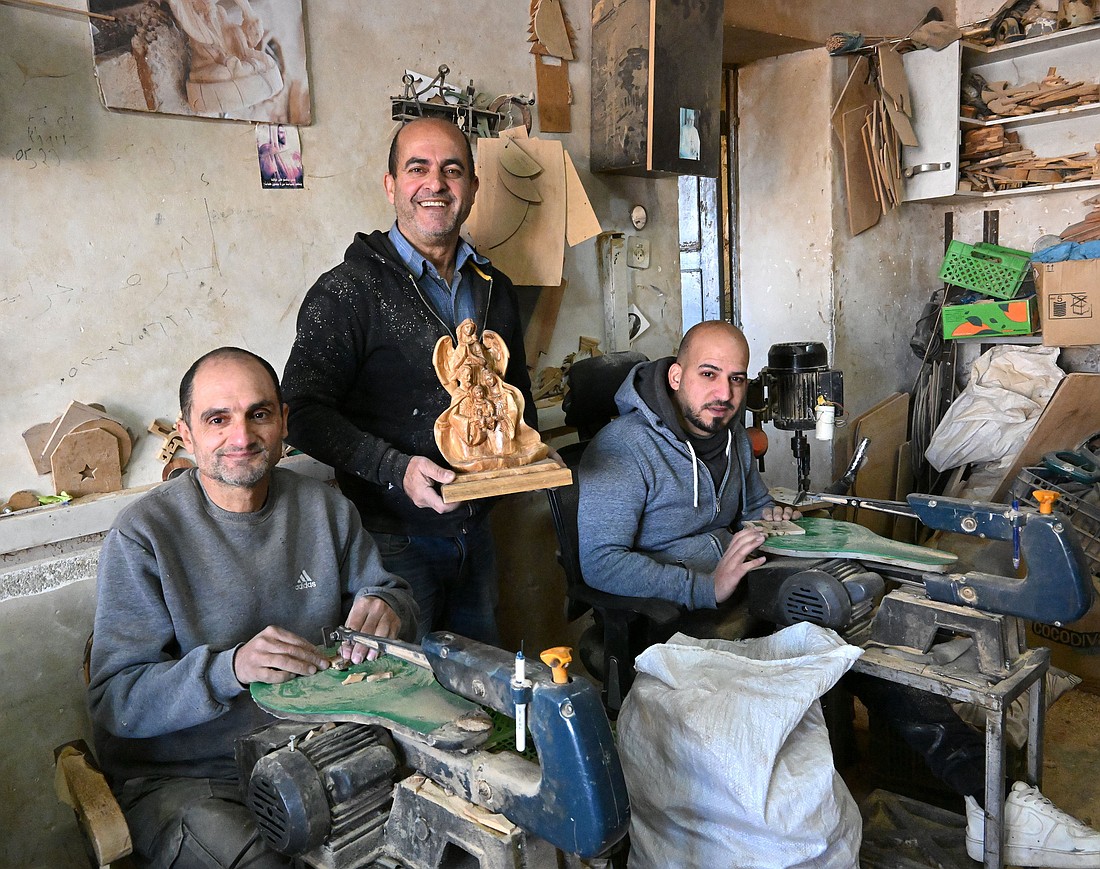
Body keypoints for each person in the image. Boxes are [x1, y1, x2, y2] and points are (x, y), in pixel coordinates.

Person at [578, 320, 1100, 868]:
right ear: (678, 374)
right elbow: (601, 561)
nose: (724, 394)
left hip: (744, 584)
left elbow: (751, 503)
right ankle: (990, 799)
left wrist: (767, 516)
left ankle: (989, 800)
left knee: (861, 624)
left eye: (736, 379)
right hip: (673, 617)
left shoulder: (727, 430)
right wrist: (703, 585)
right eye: (709, 376)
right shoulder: (625, 448)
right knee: (839, 635)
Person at [88, 347, 418, 869]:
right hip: (193, 779)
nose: (241, 438)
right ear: (186, 434)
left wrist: (388, 605)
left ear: (283, 421)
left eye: (259, 414)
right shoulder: (144, 535)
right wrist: (231, 668)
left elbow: (390, 592)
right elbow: (117, 702)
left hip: (320, 752)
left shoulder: (325, 507)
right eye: (217, 420)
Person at [281, 116, 537, 644]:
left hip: (477, 531)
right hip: (391, 546)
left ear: (472, 188)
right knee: (408, 701)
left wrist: (530, 454)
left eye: (452, 170)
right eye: (416, 168)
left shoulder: (496, 288)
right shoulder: (347, 292)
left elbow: (518, 398)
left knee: (480, 686)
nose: (435, 184)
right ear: (391, 185)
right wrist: (396, 469)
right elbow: (300, 413)